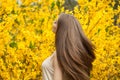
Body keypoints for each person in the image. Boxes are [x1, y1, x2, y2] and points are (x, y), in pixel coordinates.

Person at [42, 13, 96, 80]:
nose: (53, 22)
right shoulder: (67, 54)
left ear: (62, 29)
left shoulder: (59, 54)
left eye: (56, 22)